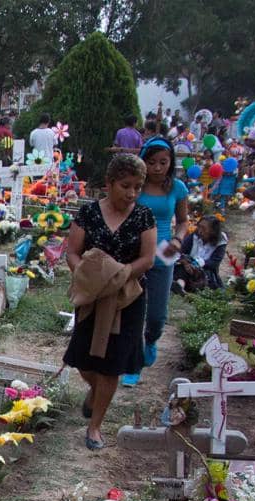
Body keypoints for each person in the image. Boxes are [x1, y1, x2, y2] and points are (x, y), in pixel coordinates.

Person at [63, 154, 156, 450]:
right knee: (83, 359)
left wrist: (122, 274)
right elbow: (72, 252)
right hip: (92, 297)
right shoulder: (89, 214)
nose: (131, 193)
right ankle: (94, 390)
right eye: (125, 186)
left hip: (127, 299)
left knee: (112, 366)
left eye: (138, 187)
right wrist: (88, 276)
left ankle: (95, 426)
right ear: (109, 183)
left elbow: (147, 258)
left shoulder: (143, 216)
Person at [123, 136, 188, 386]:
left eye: (163, 162)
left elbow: (182, 221)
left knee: (157, 314)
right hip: (135, 252)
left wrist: (178, 240)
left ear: (171, 162)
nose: (158, 168)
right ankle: (133, 363)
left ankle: (151, 339)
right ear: (143, 163)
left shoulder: (177, 188)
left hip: (163, 253)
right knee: (133, 310)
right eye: (152, 162)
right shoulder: (135, 186)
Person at [174, 216, 227, 293]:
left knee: (204, 276)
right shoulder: (194, 236)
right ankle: (179, 285)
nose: (200, 231)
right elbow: (181, 251)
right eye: (199, 227)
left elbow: (214, 263)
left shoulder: (220, 242)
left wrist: (196, 265)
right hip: (188, 266)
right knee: (182, 269)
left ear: (213, 231)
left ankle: (187, 287)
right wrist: (185, 262)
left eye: (204, 228)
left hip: (206, 270)